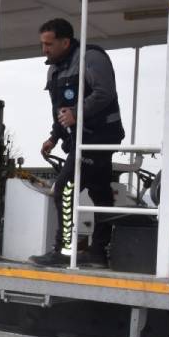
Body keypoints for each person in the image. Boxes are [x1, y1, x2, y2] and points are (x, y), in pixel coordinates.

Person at [29, 18, 125, 268]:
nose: (45, 50)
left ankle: (63, 251)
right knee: (101, 192)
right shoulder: (54, 69)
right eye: (42, 44)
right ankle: (98, 253)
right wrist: (54, 136)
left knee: (63, 189)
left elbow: (105, 93)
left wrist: (77, 113)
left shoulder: (91, 57)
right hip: (78, 139)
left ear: (65, 42)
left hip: (99, 138)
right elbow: (59, 111)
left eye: (49, 44)